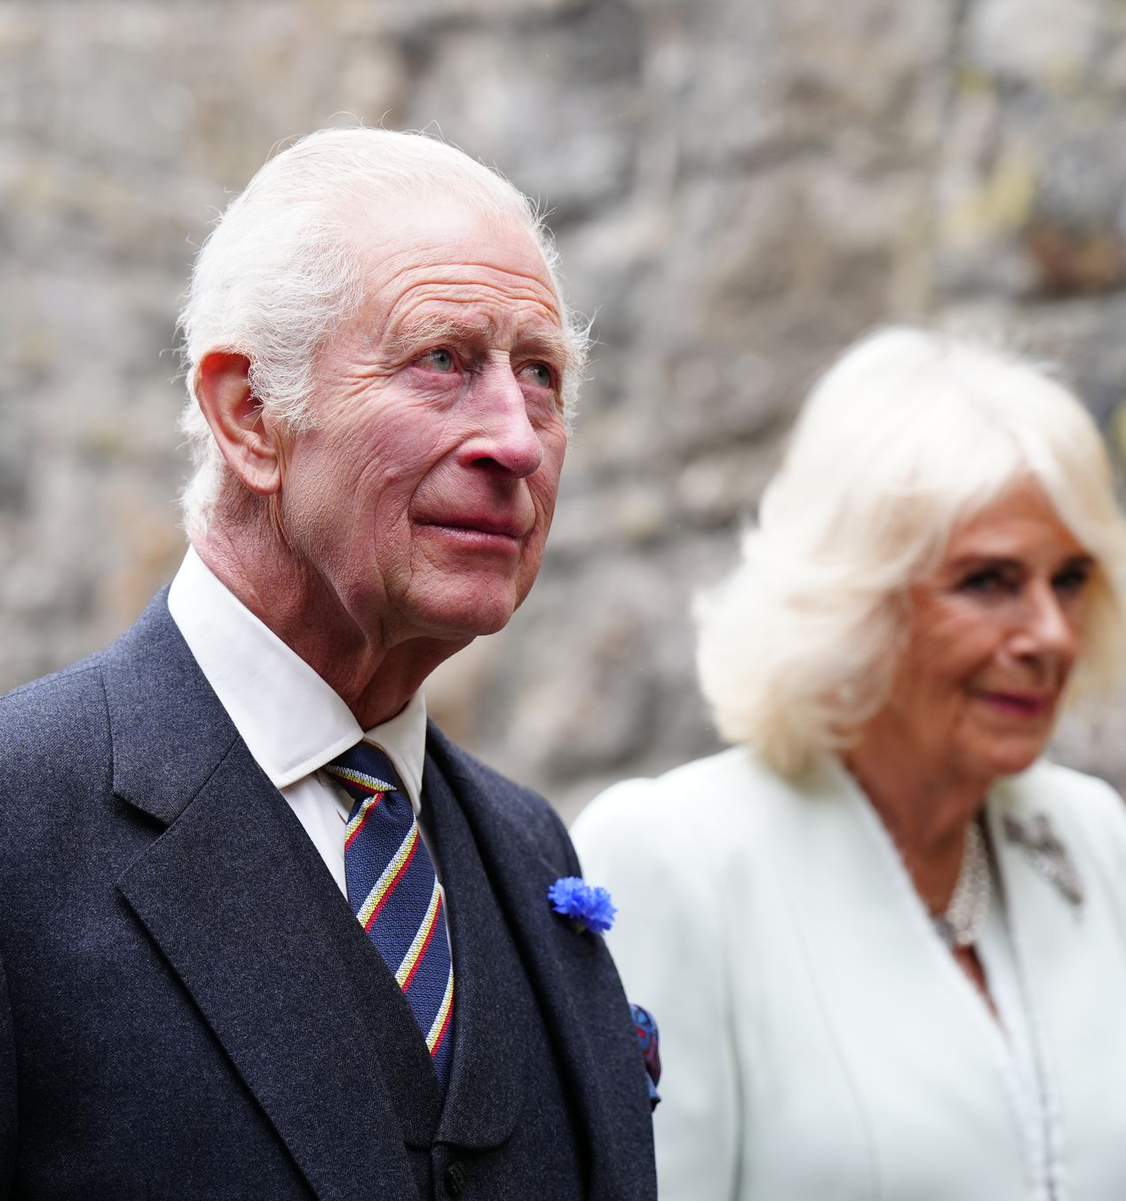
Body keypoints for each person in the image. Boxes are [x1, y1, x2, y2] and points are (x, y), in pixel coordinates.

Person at [0, 128, 656, 1201]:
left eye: (540, 375)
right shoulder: (22, 822)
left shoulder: (531, 853)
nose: (517, 441)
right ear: (250, 415)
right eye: (443, 359)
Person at [573, 327, 1126, 1201]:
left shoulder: (1088, 835)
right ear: (854, 602)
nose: (1050, 633)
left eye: (1072, 578)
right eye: (989, 580)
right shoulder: (679, 854)